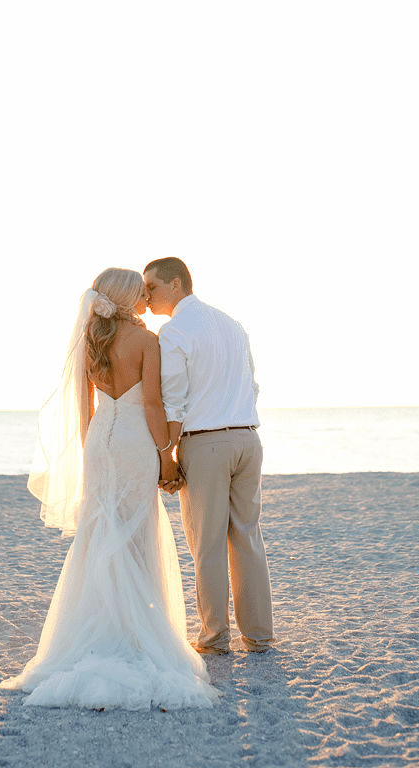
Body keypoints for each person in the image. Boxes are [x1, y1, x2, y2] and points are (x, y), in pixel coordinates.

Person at [0, 268, 219, 710]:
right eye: (139, 292)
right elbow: (153, 404)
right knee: (137, 534)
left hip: (100, 440)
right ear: (124, 298)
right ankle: (134, 634)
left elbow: (84, 408)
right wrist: (166, 457)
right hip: (137, 439)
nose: (144, 297)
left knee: (101, 530)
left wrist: (92, 451)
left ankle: (95, 630)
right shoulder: (147, 341)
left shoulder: (90, 339)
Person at [144, 257, 274, 655]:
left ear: (177, 284)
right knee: (247, 538)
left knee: (208, 543)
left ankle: (214, 638)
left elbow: (174, 400)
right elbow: (252, 385)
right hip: (248, 440)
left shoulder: (174, 330)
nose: (145, 296)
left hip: (206, 443)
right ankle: (258, 637)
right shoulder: (232, 325)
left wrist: (168, 453)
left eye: (152, 287)